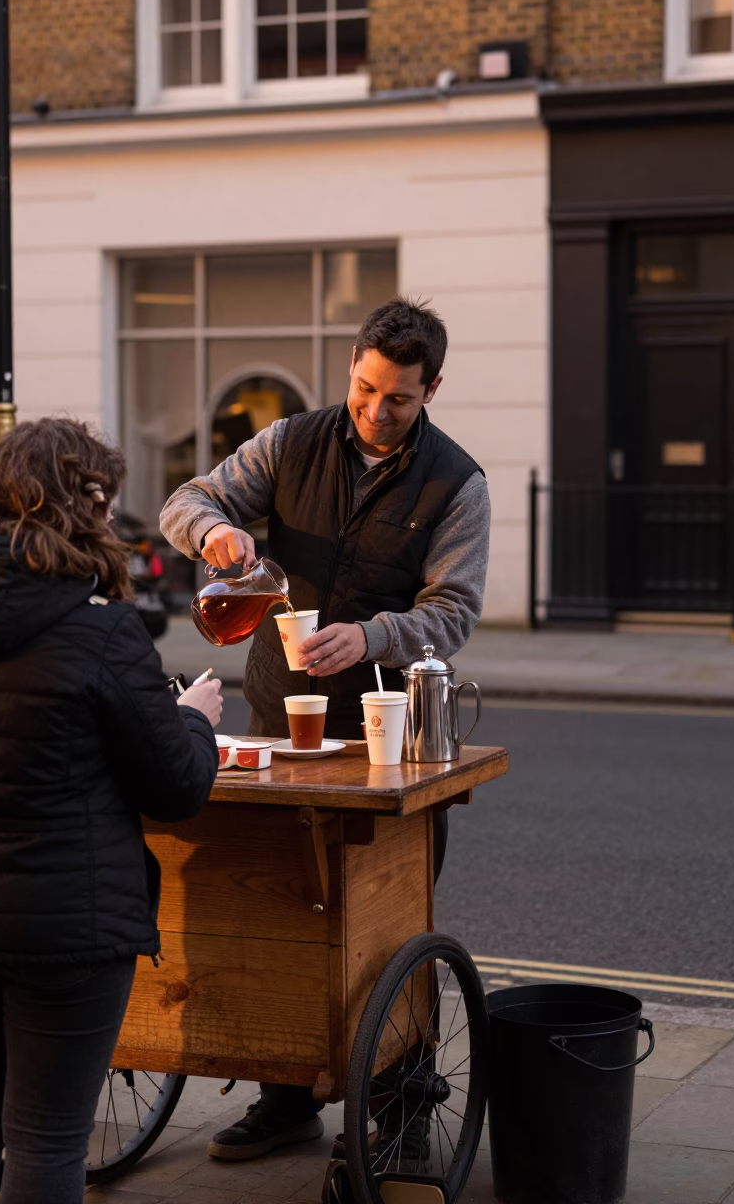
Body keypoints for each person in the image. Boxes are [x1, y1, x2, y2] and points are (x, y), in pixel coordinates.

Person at [160, 297, 491, 1163]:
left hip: (389, 734)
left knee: (387, 926)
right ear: (352, 366)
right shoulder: (289, 442)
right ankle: (285, 1099)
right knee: (286, 910)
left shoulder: (460, 484)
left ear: (433, 390)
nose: (376, 412)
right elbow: (186, 500)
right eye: (365, 388)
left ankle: (404, 1110)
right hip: (283, 715)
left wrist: (374, 636)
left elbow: (453, 612)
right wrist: (218, 530)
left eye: (400, 399)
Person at [0, 418, 222, 1204]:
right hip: (64, 930)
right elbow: (178, 788)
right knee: (48, 1138)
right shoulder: (102, 633)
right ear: (82, 506)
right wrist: (193, 717)